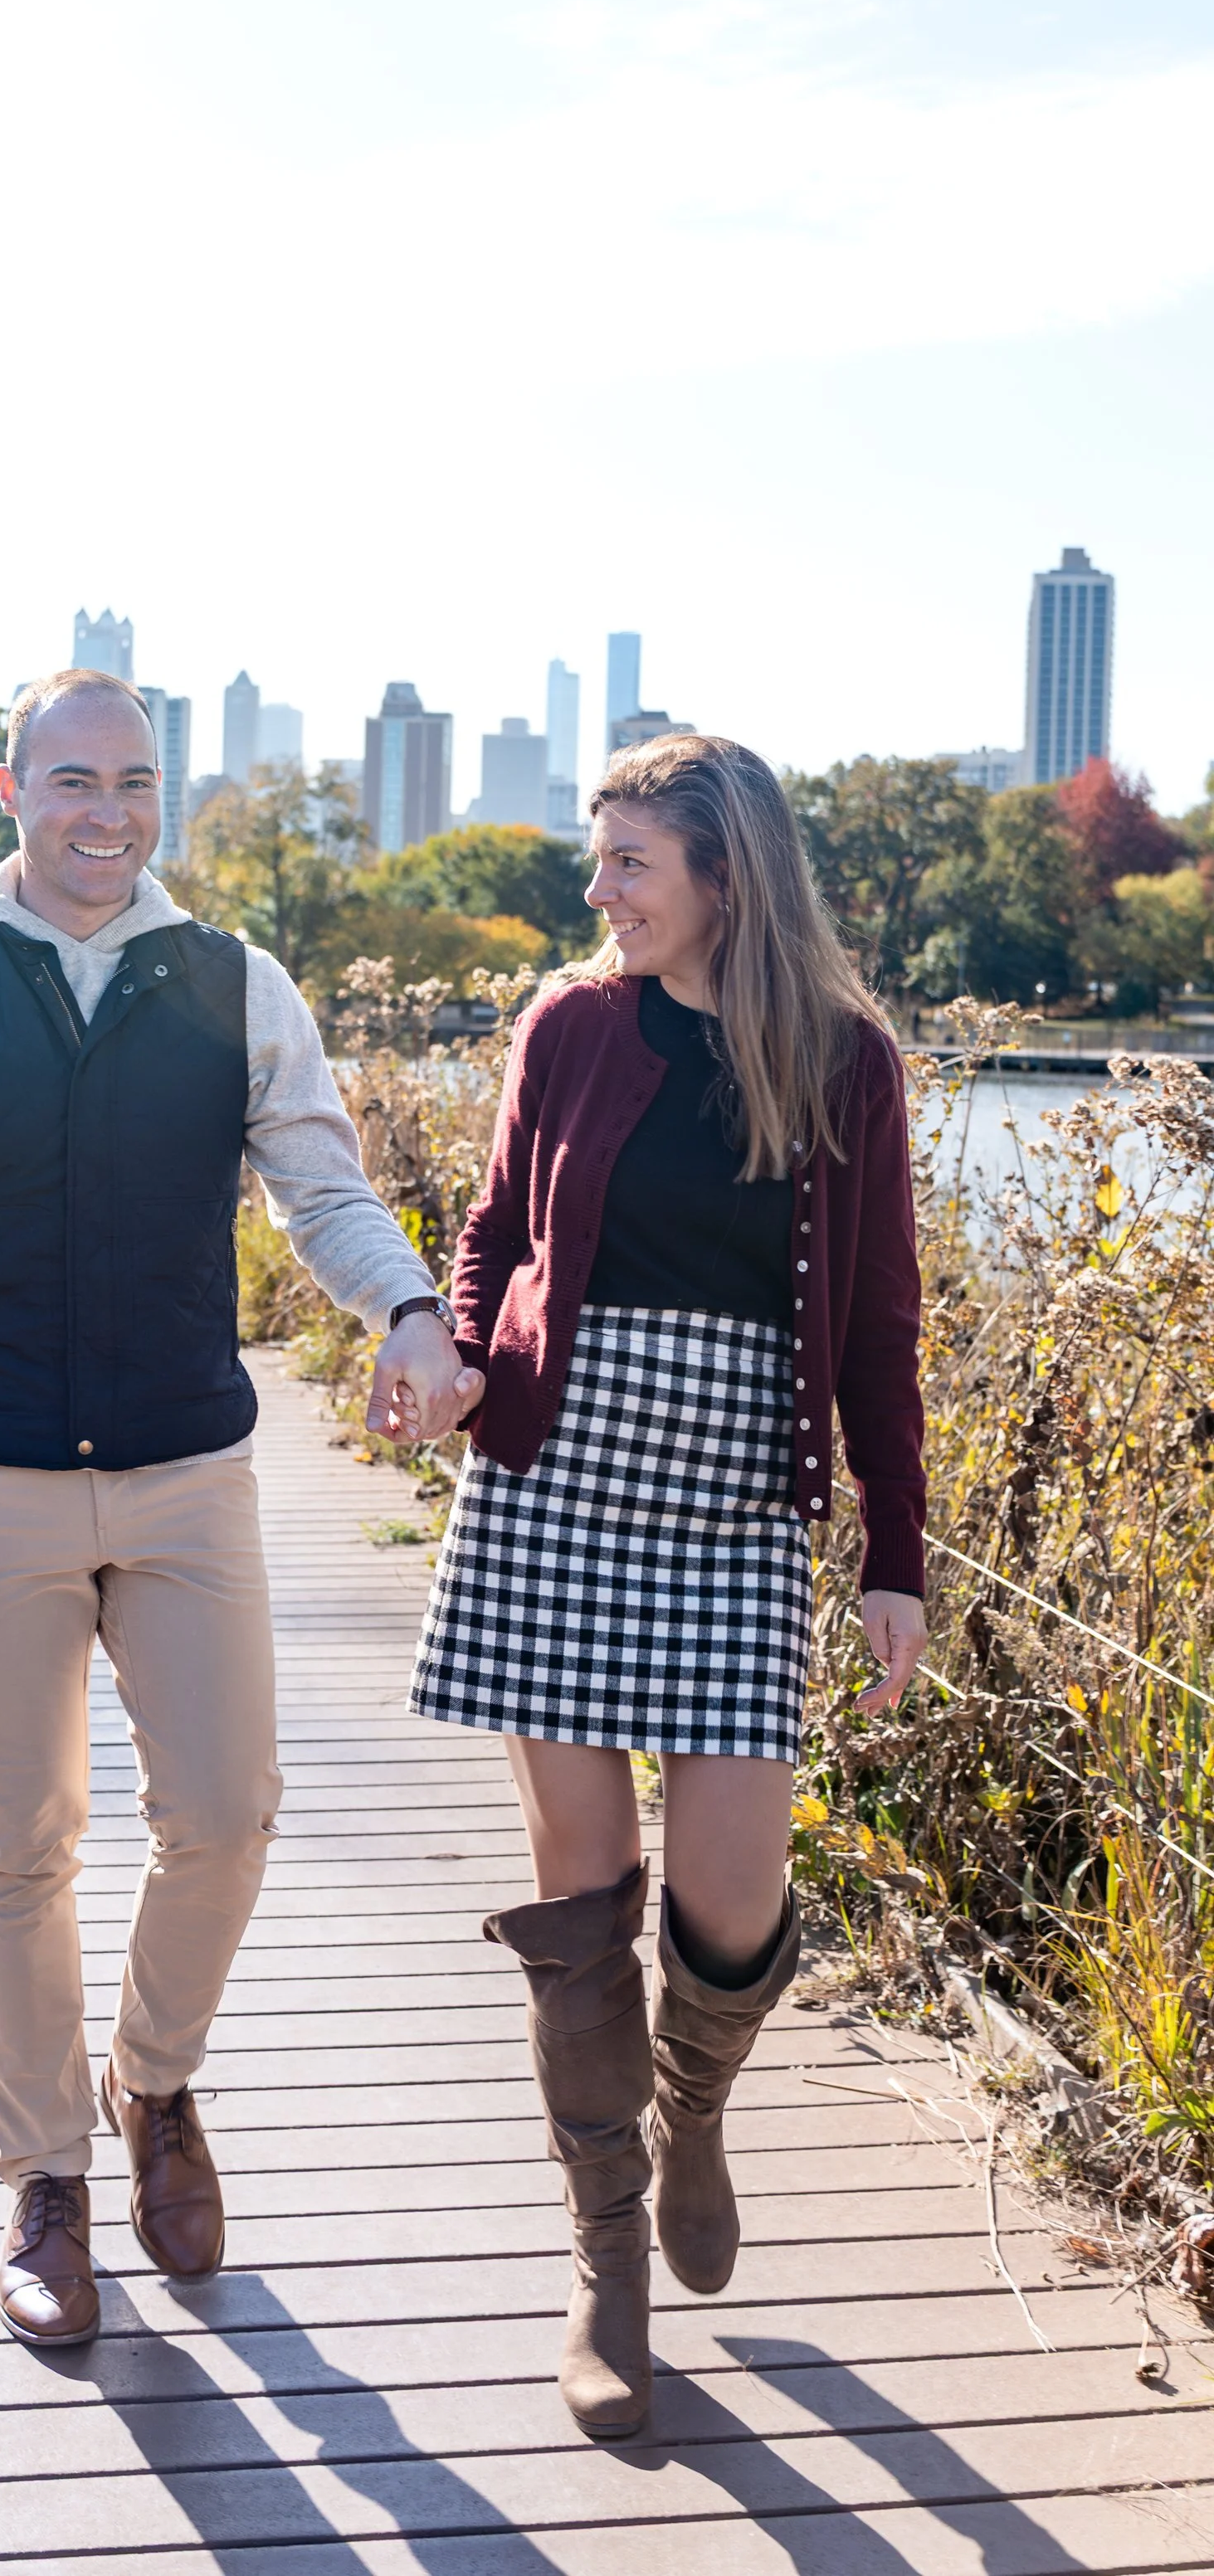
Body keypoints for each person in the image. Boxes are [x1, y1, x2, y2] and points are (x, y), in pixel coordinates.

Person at [0, 667, 480, 2348]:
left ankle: (151, 2087)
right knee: (19, 1843)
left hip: (184, 1472)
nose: (106, 811)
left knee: (225, 1810)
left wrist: (405, 1311)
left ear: (164, 800)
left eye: (135, 782)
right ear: (9, 795)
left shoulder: (232, 986)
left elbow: (318, 1183)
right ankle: (44, 2182)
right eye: (72, 780)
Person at [411, 733, 926, 2439]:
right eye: (597, 855)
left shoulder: (844, 1063)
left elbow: (872, 1334)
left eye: (626, 860)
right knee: (580, 1900)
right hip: (555, 1490)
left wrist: (891, 1557)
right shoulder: (564, 1026)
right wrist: (471, 1356)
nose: (596, 888)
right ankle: (605, 2269)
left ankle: (684, 2106)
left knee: (727, 1905)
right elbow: (494, 1231)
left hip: (728, 1514)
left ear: (723, 873)